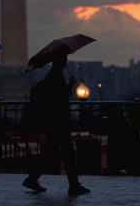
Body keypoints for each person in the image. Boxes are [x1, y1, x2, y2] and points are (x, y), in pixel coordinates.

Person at [22, 53, 91, 195]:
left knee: (55, 152)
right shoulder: (55, 76)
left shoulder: (53, 76)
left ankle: (33, 179)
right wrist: (70, 86)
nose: (65, 62)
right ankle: (73, 185)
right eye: (64, 59)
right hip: (59, 121)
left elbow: (56, 96)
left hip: (55, 121)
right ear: (60, 62)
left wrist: (68, 86)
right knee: (66, 153)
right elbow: (59, 98)